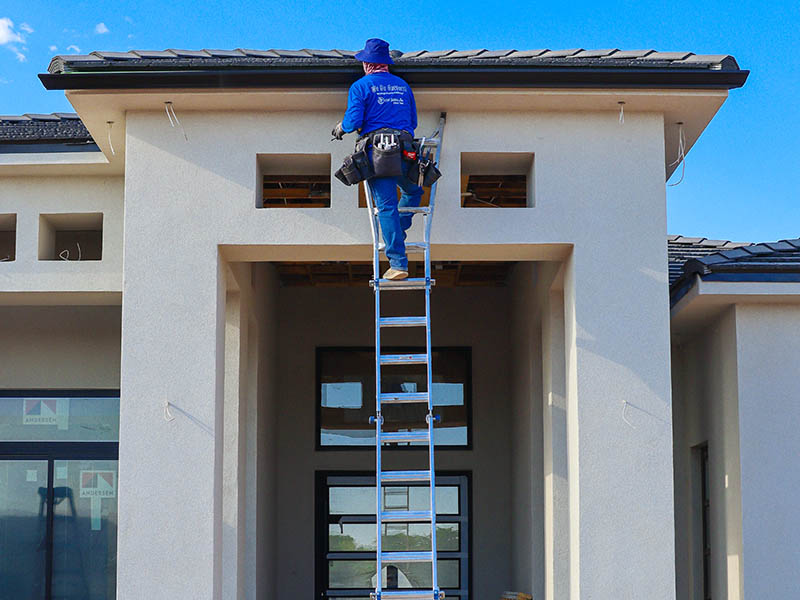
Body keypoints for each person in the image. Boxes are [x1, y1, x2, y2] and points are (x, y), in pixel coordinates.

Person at [332, 38, 423, 281]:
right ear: (385, 64)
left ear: (367, 64)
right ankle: (397, 232)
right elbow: (413, 122)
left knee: (386, 207)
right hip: (405, 150)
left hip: (378, 154)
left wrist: (340, 128)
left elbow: (353, 122)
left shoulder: (361, 86)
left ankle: (398, 263)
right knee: (414, 192)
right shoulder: (403, 86)